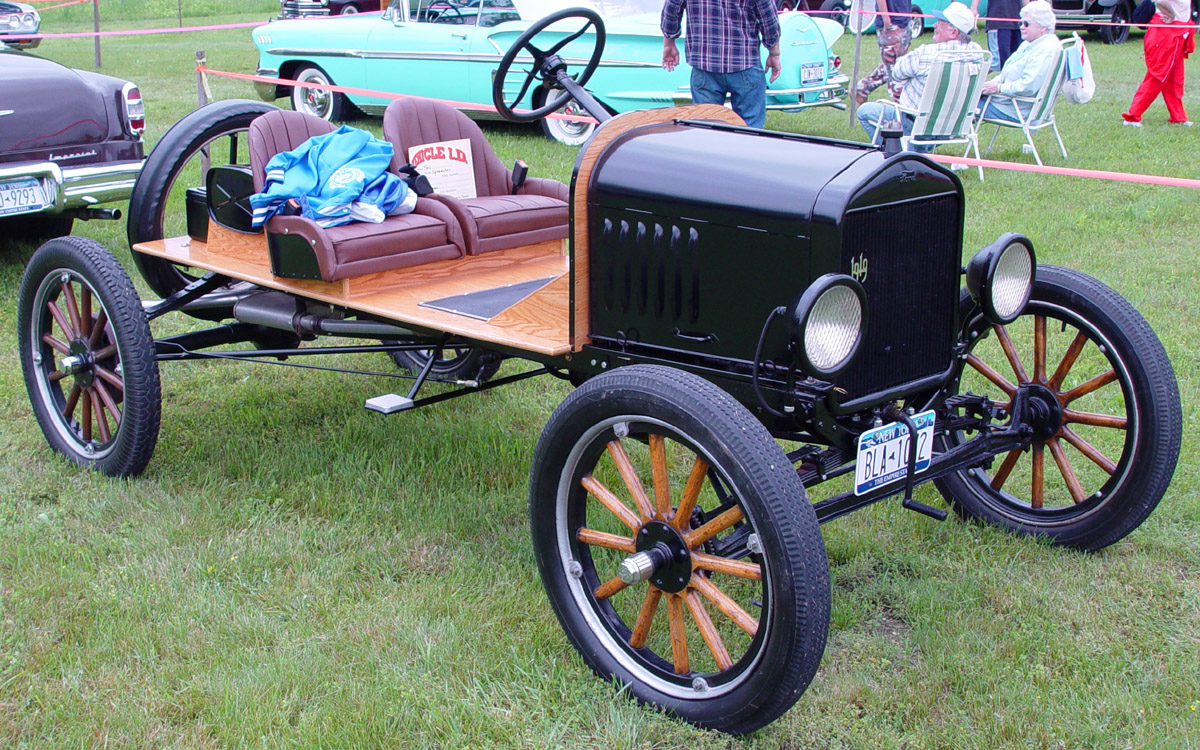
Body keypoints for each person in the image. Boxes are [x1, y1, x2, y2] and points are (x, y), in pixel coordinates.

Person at [856, 1, 984, 145]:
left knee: (864, 111)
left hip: (918, 124)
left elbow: (897, 73)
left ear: (953, 32)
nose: (934, 25)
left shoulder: (926, 54)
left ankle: (892, 151)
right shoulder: (978, 53)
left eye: (940, 23)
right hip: (954, 127)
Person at [661, 0, 782, 129]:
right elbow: (769, 19)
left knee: (705, 129)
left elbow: (671, 9)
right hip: (745, 62)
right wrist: (774, 52)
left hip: (704, 65)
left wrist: (669, 42)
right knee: (749, 129)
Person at [978, 0, 1062, 123]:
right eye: (1021, 22)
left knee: (957, 106)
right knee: (961, 100)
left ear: (1043, 27)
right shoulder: (1029, 44)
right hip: (1006, 102)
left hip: (1013, 109)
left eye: (1027, 24)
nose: (1022, 27)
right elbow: (1004, 74)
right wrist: (988, 86)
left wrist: (998, 88)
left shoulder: (1045, 50)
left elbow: (1028, 86)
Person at [1121, 0, 1194, 126]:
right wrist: (1170, 13)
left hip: (1178, 33)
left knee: (1175, 79)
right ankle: (1132, 116)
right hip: (1167, 34)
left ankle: (1178, 117)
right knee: (1157, 77)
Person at [854, 0, 915, 104]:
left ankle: (862, 88)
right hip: (892, 23)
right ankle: (900, 104)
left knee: (895, 64)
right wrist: (886, 19)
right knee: (893, 67)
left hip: (904, 20)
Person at [972, 0, 1023, 68]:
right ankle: (975, 76)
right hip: (998, 20)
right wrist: (974, 8)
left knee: (1017, 61)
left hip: (1018, 21)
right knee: (997, 61)